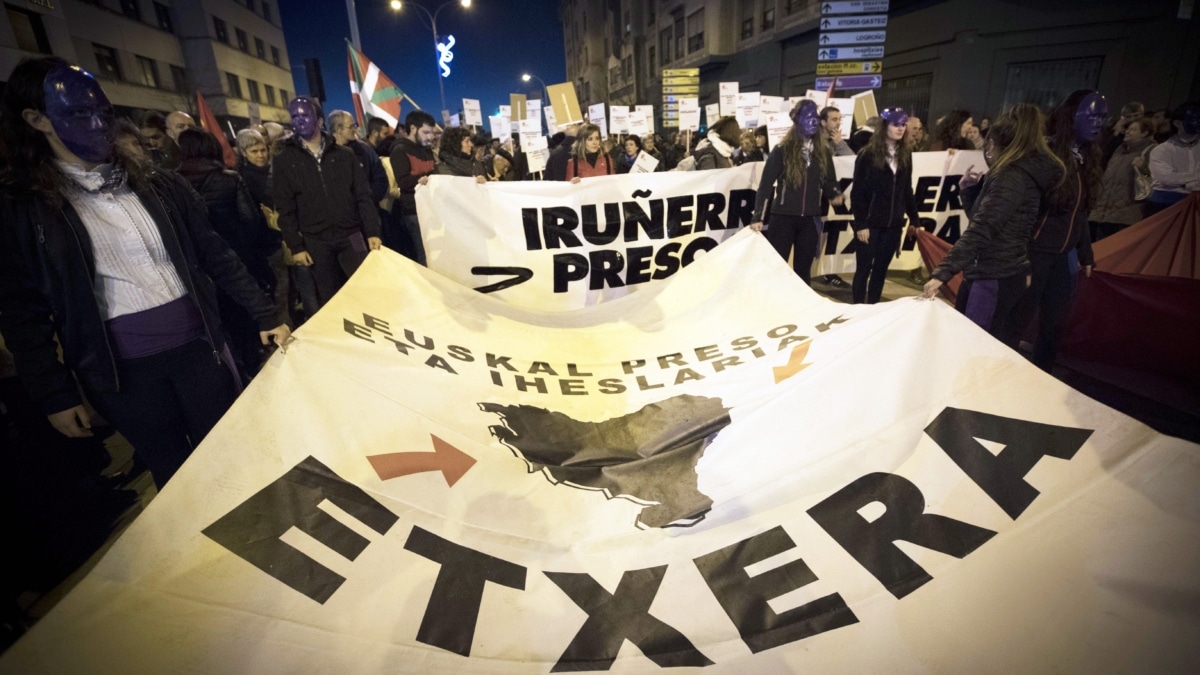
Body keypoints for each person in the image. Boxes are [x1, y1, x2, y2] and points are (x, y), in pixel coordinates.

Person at [0, 58, 290, 487]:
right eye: (81, 114)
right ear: (36, 119)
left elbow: (214, 253)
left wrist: (265, 314)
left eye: (105, 112)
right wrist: (54, 393)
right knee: (177, 480)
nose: (99, 124)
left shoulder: (157, 184)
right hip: (126, 376)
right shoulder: (23, 208)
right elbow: (22, 311)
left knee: (237, 464)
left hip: (199, 350)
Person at [923, 105, 1064, 340]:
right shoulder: (1013, 174)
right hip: (994, 272)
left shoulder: (1012, 177)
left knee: (975, 345)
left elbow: (983, 228)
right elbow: (989, 218)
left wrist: (943, 272)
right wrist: (969, 193)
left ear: (995, 145)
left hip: (994, 275)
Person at [1010, 90, 1104, 371]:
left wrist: (1085, 253)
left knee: (1055, 323)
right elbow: (1025, 207)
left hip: (1064, 257)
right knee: (1018, 318)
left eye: (1102, 117)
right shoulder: (1045, 155)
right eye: (1092, 115)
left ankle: (1043, 375)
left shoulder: (1087, 158)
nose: (1098, 122)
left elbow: (1081, 212)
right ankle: (1000, 374)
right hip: (1035, 253)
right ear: (1071, 117)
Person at [176, 128, 277, 379]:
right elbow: (251, 220)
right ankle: (253, 365)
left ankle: (233, 370)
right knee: (242, 317)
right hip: (236, 258)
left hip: (199, 267)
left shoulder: (174, 184)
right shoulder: (229, 179)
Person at [274, 96, 381, 309]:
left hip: (351, 235)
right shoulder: (285, 159)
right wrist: (296, 246)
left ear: (320, 120)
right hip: (316, 241)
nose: (299, 120)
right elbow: (285, 208)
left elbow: (363, 196)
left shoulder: (345, 155)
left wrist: (372, 231)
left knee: (367, 290)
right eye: (295, 116)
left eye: (305, 115)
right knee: (330, 297)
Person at [749, 99, 845, 286]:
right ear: (797, 120)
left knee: (803, 271)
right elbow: (766, 185)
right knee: (777, 267)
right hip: (782, 218)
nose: (813, 122)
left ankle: (801, 311)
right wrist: (758, 216)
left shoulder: (822, 151)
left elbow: (829, 180)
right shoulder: (782, 150)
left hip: (809, 219)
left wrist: (834, 193)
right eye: (807, 118)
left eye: (816, 118)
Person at [849, 108, 922, 304]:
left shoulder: (906, 154)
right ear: (884, 126)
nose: (900, 128)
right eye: (895, 124)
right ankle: (857, 310)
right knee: (863, 270)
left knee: (881, 271)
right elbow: (857, 193)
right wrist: (861, 224)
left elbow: (907, 190)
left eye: (903, 124)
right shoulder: (867, 155)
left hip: (893, 226)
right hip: (871, 224)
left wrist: (915, 220)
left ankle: (873, 308)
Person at [235, 128, 296, 326]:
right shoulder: (240, 178)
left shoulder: (275, 172)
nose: (261, 155)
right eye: (254, 151)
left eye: (263, 150)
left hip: (283, 239)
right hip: (263, 245)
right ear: (243, 153)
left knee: (288, 292)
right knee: (277, 294)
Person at [1090, 118, 1156, 240]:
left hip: (1126, 214)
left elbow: (1153, 179)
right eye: (1128, 129)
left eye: (1133, 129)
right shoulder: (1120, 149)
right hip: (1104, 212)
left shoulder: (1151, 151)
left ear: (1144, 133)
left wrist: (1143, 169)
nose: (1128, 132)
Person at [388, 110, 437, 264]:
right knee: (423, 254)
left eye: (432, 133)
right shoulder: (400, 150)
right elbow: (403, 182)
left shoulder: (427, 150)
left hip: (431, 208)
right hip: (413, 212)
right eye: (426, 132)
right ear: (413, 129)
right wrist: (421, 180)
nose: (430, 137)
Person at [1146, 101, 1200, 215]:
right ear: (1177, 123)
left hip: (1195, 205)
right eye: (1194, 118)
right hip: (1164, 204)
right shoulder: (1162, 150)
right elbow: (1166, 178)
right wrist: (1195, 179)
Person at [329, 110, 388, 208]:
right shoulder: (325, 153)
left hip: (367, 212)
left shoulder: (365, 150)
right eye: (351, 126)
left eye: (354, 125)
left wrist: (368, 200)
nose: (355, 129)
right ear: (338, 129)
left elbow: (380, 178)